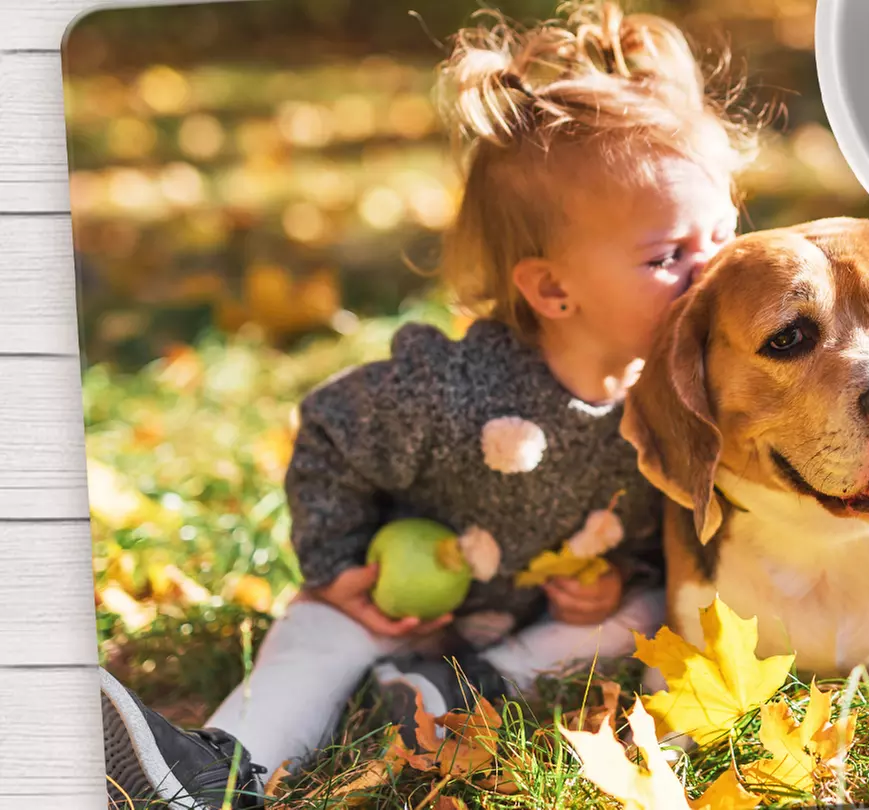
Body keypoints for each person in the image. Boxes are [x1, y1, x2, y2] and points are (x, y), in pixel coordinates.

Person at [99, 2, 761, 807]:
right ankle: (219, 767)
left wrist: (619, 577)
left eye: (722, 240)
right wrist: (341, 566)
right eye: (668, 257)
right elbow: (332, 433)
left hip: (533, 625)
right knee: (318, 634)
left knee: (647, 611)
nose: (712, 273)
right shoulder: (449, 389)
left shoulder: (688, 391)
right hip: (404, 600)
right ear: (553, 289)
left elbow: (680, 524)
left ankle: (456, 691)